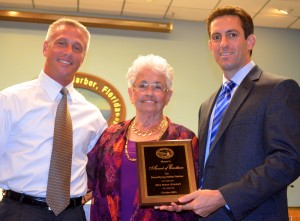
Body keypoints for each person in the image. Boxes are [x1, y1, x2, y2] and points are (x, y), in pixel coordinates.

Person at [156, 6, 300, 221]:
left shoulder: (278, 89)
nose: (223, 44)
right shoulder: (207, 105)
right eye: (216, 37)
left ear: (250, 41)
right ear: (210, 45)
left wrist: (224, 197)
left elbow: (288, 160)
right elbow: (209, 167)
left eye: (232, 35)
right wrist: (184, 199)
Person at [0, 18, 107, 220]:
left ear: (83, 57)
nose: (68, 52)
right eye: (61, 43)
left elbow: (98, 170)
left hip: (73, 214)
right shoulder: (9, 101)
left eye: (77, 47)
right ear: (45, 47)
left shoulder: (93, 116)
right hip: (20, 211)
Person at [87, 54, 199, 220]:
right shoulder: (109, 136)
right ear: (131, 93)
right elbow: (88, 180)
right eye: (143, 85)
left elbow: (196, 195)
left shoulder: (185, 139)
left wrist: (183, 204)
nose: (149, 93)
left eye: (158, 87)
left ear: (168, 96)